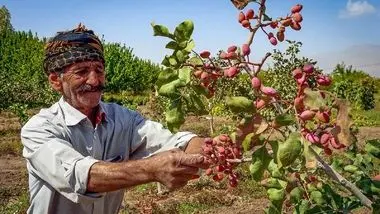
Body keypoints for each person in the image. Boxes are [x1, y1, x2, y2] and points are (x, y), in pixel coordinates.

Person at [20, 23, 208, 214]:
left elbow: (175, 141)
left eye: (99, 70)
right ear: (55, 81)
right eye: (81, 72)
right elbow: (82, 176)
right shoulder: (39, 129)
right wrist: (151, 169)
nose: (94, 81)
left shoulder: (123, 118)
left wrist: (200, 149)